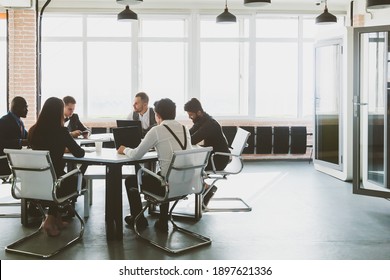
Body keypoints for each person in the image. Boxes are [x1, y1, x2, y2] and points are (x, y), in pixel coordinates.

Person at [118, 98, 192, 232]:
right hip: (186, 183)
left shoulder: (157, 130)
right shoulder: (184, 128)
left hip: (167, 187)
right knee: (164, 174)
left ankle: (138, 219)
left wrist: (124, 149)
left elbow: (136, 155)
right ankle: (163, 220)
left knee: (131, 181)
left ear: (157, 115)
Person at [28, 97, 85, 237]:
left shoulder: (33, 131)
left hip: (34, 182)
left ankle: (57, 220)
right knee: (78, 180)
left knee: (57, 180)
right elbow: (80, 153)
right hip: (55, 182)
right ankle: (50, 219)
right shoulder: (61, 131)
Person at [184, 98, 231, 206]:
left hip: (219, 160)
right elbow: (189, 133)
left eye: (191, 115)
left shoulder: (210, 124)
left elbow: (193, 139)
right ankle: (205, 188)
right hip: (214, 156)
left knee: (189, 166)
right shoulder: (202, 120)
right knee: (189, 164)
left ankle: (206, 188)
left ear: (199, 112)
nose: (190, 117)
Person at [0, 96, 29, 176]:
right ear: (16, 108)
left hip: (16, 160)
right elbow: (1, 143)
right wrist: (20, 142)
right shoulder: (3, 121)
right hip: (5, 162)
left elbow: (27, 136)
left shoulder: (19, 122)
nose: (27, 110)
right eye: (25, 107)